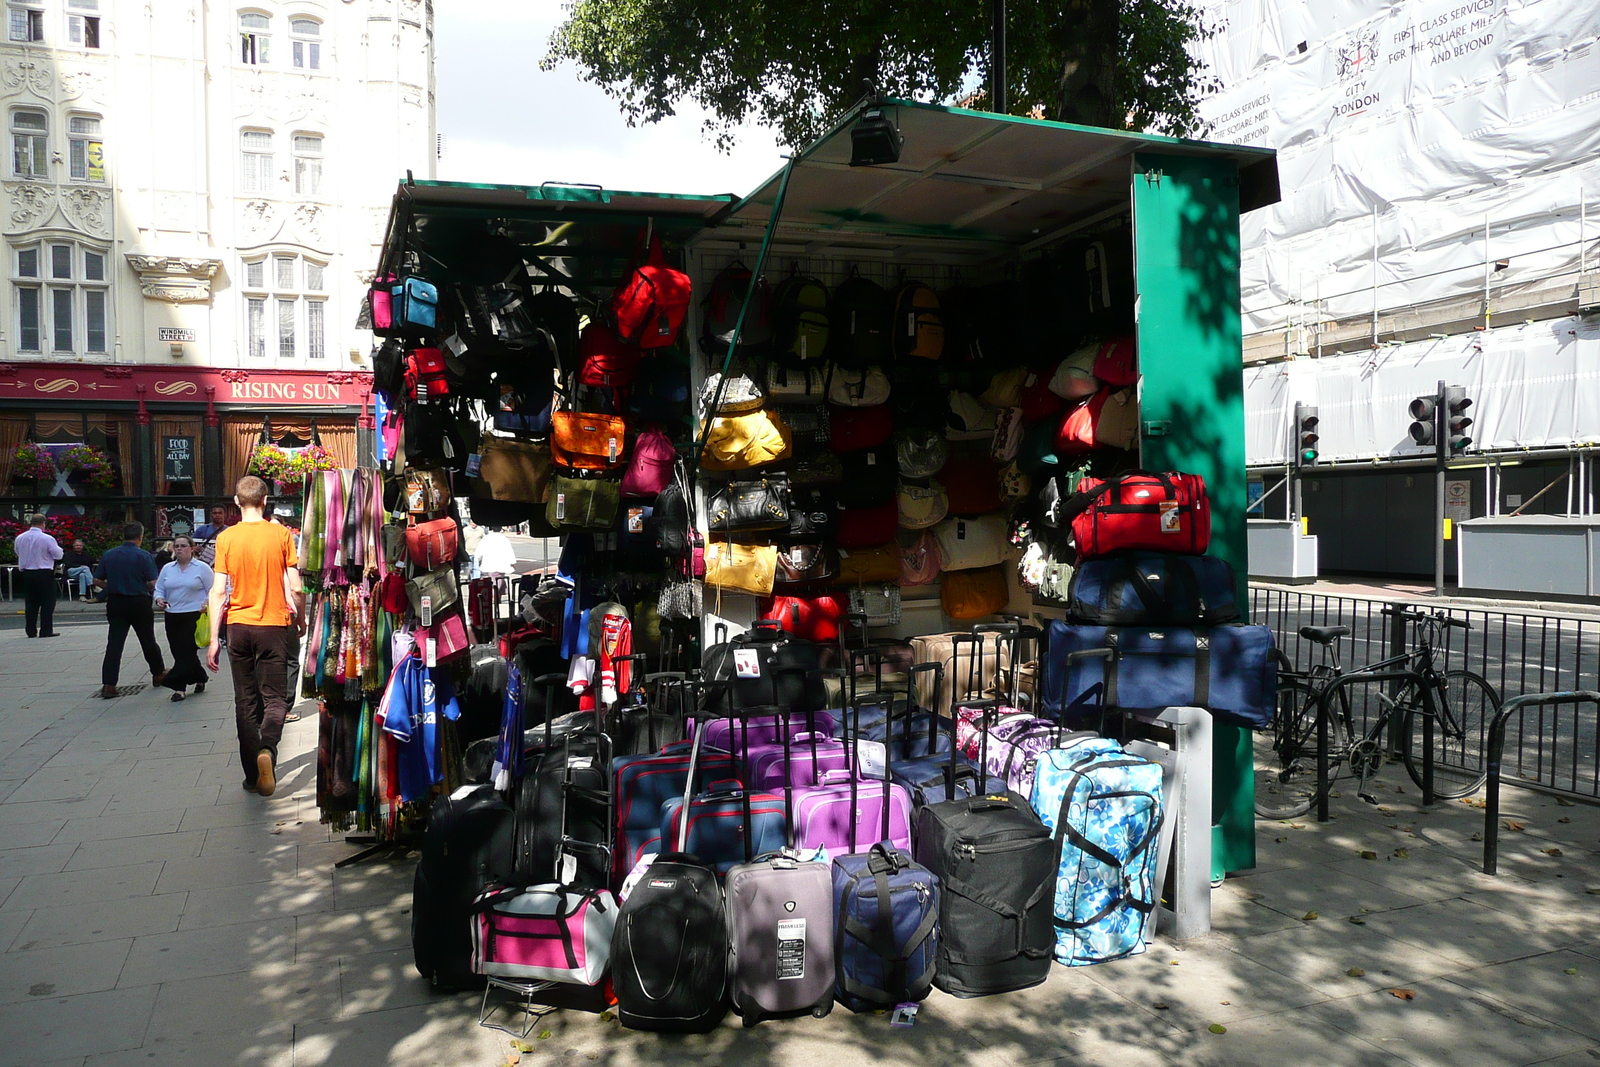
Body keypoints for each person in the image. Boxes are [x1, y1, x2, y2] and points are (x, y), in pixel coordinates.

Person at [205, 476, 304, 798]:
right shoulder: (281, 535)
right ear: (265, 501)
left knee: (245, 701)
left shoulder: (226, 538)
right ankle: (268, 749)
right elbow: (297, 587)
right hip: (273, 625)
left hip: (238, 627)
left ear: (236, 502)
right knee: (275, 698)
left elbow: (218, 591)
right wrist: (300, 619)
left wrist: (212, 639)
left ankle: (252, 776)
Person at [94, 523, 166, 697]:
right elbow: (153, 582)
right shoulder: (143, 556)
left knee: (114, 643)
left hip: (116, 602)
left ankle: (109, 684)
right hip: (139, 602)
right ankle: (158, 674)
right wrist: (143, 586)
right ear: (140, 537)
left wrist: (111, 587)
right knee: (147, 640)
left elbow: (97, 580)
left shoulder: (109, 554)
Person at [154, 535, 213, 703]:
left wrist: (207, 603)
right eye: (176, 546)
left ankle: (178, 687)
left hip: (194, 614)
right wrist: (159, 599)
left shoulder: (201, 568)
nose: (179, 549)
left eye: (183, 546)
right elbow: (159, 589)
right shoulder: (168, 568)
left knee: (186, 651)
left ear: (192, 548)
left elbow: (213, 589)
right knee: (178, 651)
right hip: (172, 614)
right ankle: (200, 676)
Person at [14, 514, 63, 639]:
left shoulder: (20, 538)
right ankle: (45, 630)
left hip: (27, 573)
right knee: (47, 602)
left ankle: (30, 631)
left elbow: (17, 552)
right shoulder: (47, 538)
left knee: (31, 603)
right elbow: (58, 555)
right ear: (43, 523)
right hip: (44, 573)